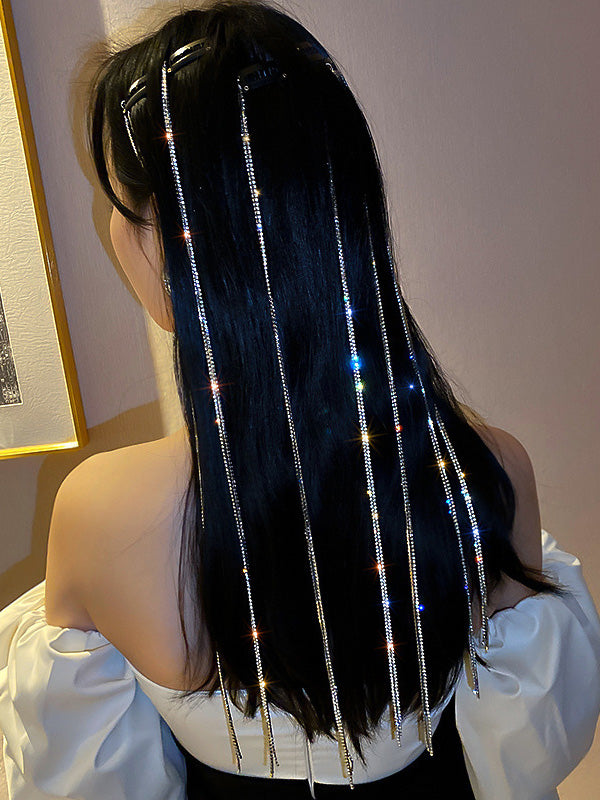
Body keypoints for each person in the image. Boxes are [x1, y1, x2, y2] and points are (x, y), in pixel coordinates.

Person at [1, 1, 599, 798]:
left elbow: (90, 782)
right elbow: (521, 748)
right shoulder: (486, 472)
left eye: (121, 203)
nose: (112, 227)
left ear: (178, 249)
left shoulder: (101, 513)